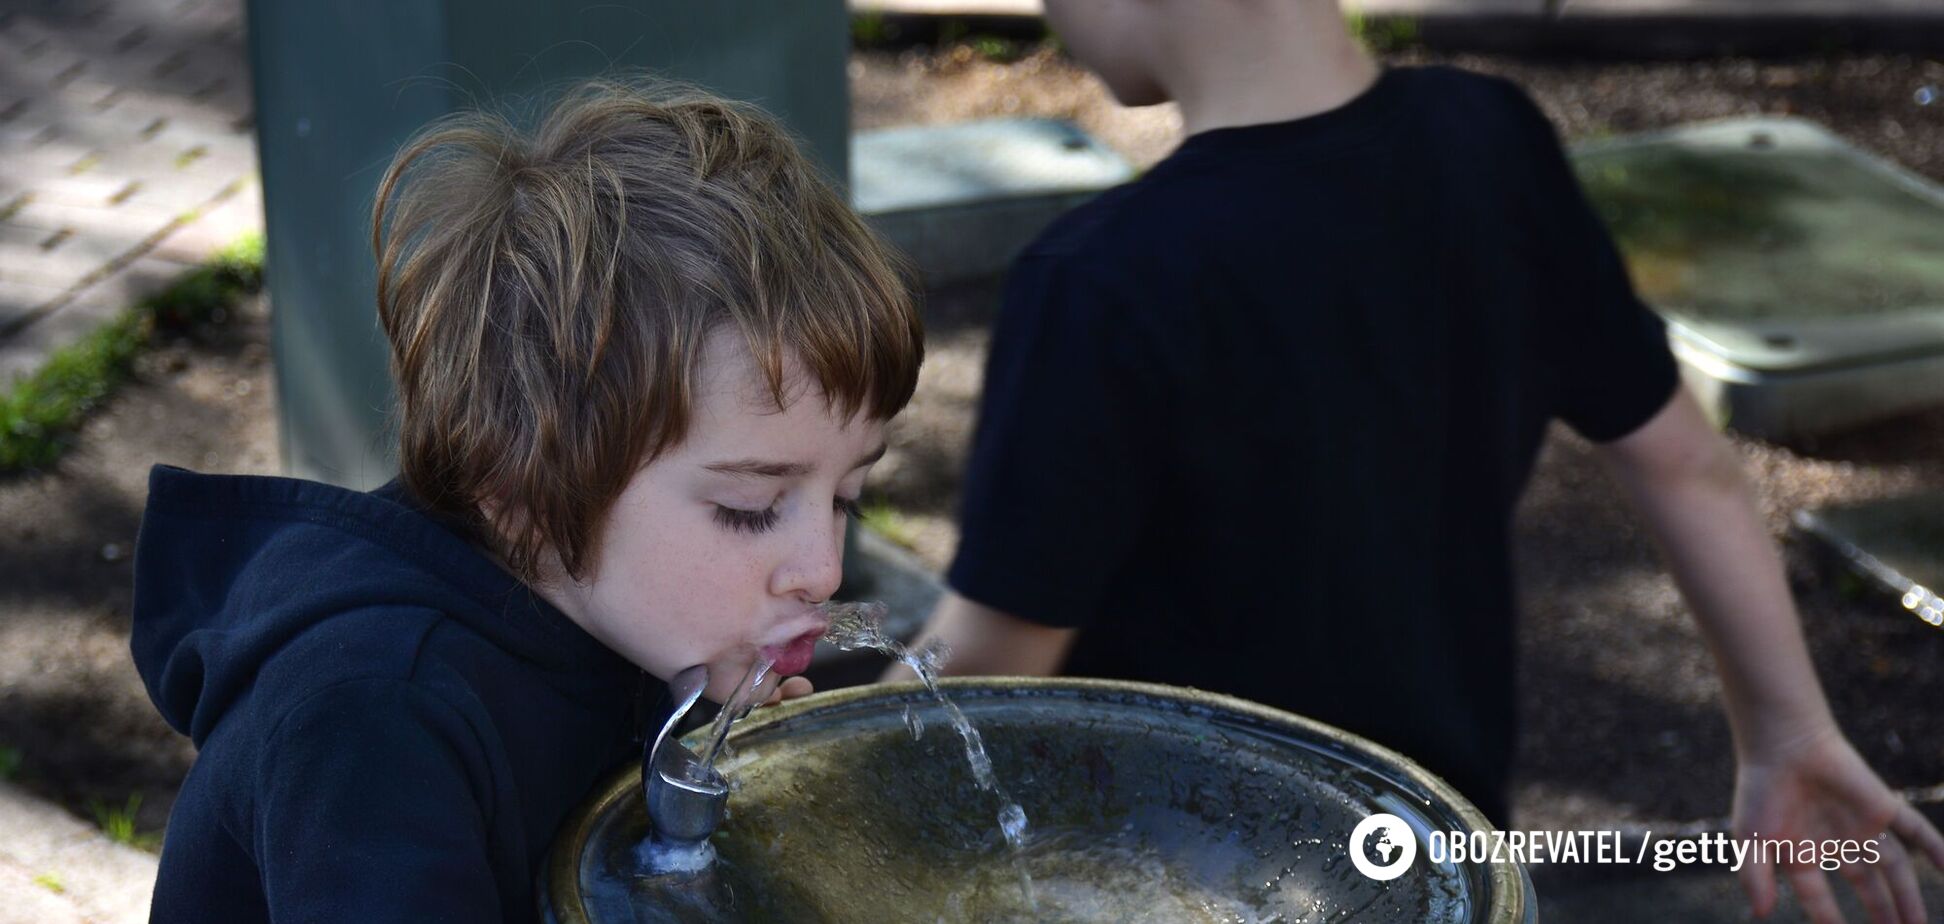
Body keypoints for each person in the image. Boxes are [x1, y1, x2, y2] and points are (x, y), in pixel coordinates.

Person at [891, 3, 1944, 921]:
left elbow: (989, 655)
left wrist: (802, 761)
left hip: (1180, 875)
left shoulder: (1098, 283)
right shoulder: (1490, 142)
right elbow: (1686, 466)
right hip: (1445, 857)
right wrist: (1786, 726)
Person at [131, 78, 922, 922]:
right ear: (525, 493)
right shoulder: (377, 718)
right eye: (749, 509)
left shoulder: (628, 619)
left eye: (847, 497)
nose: (822, 569)